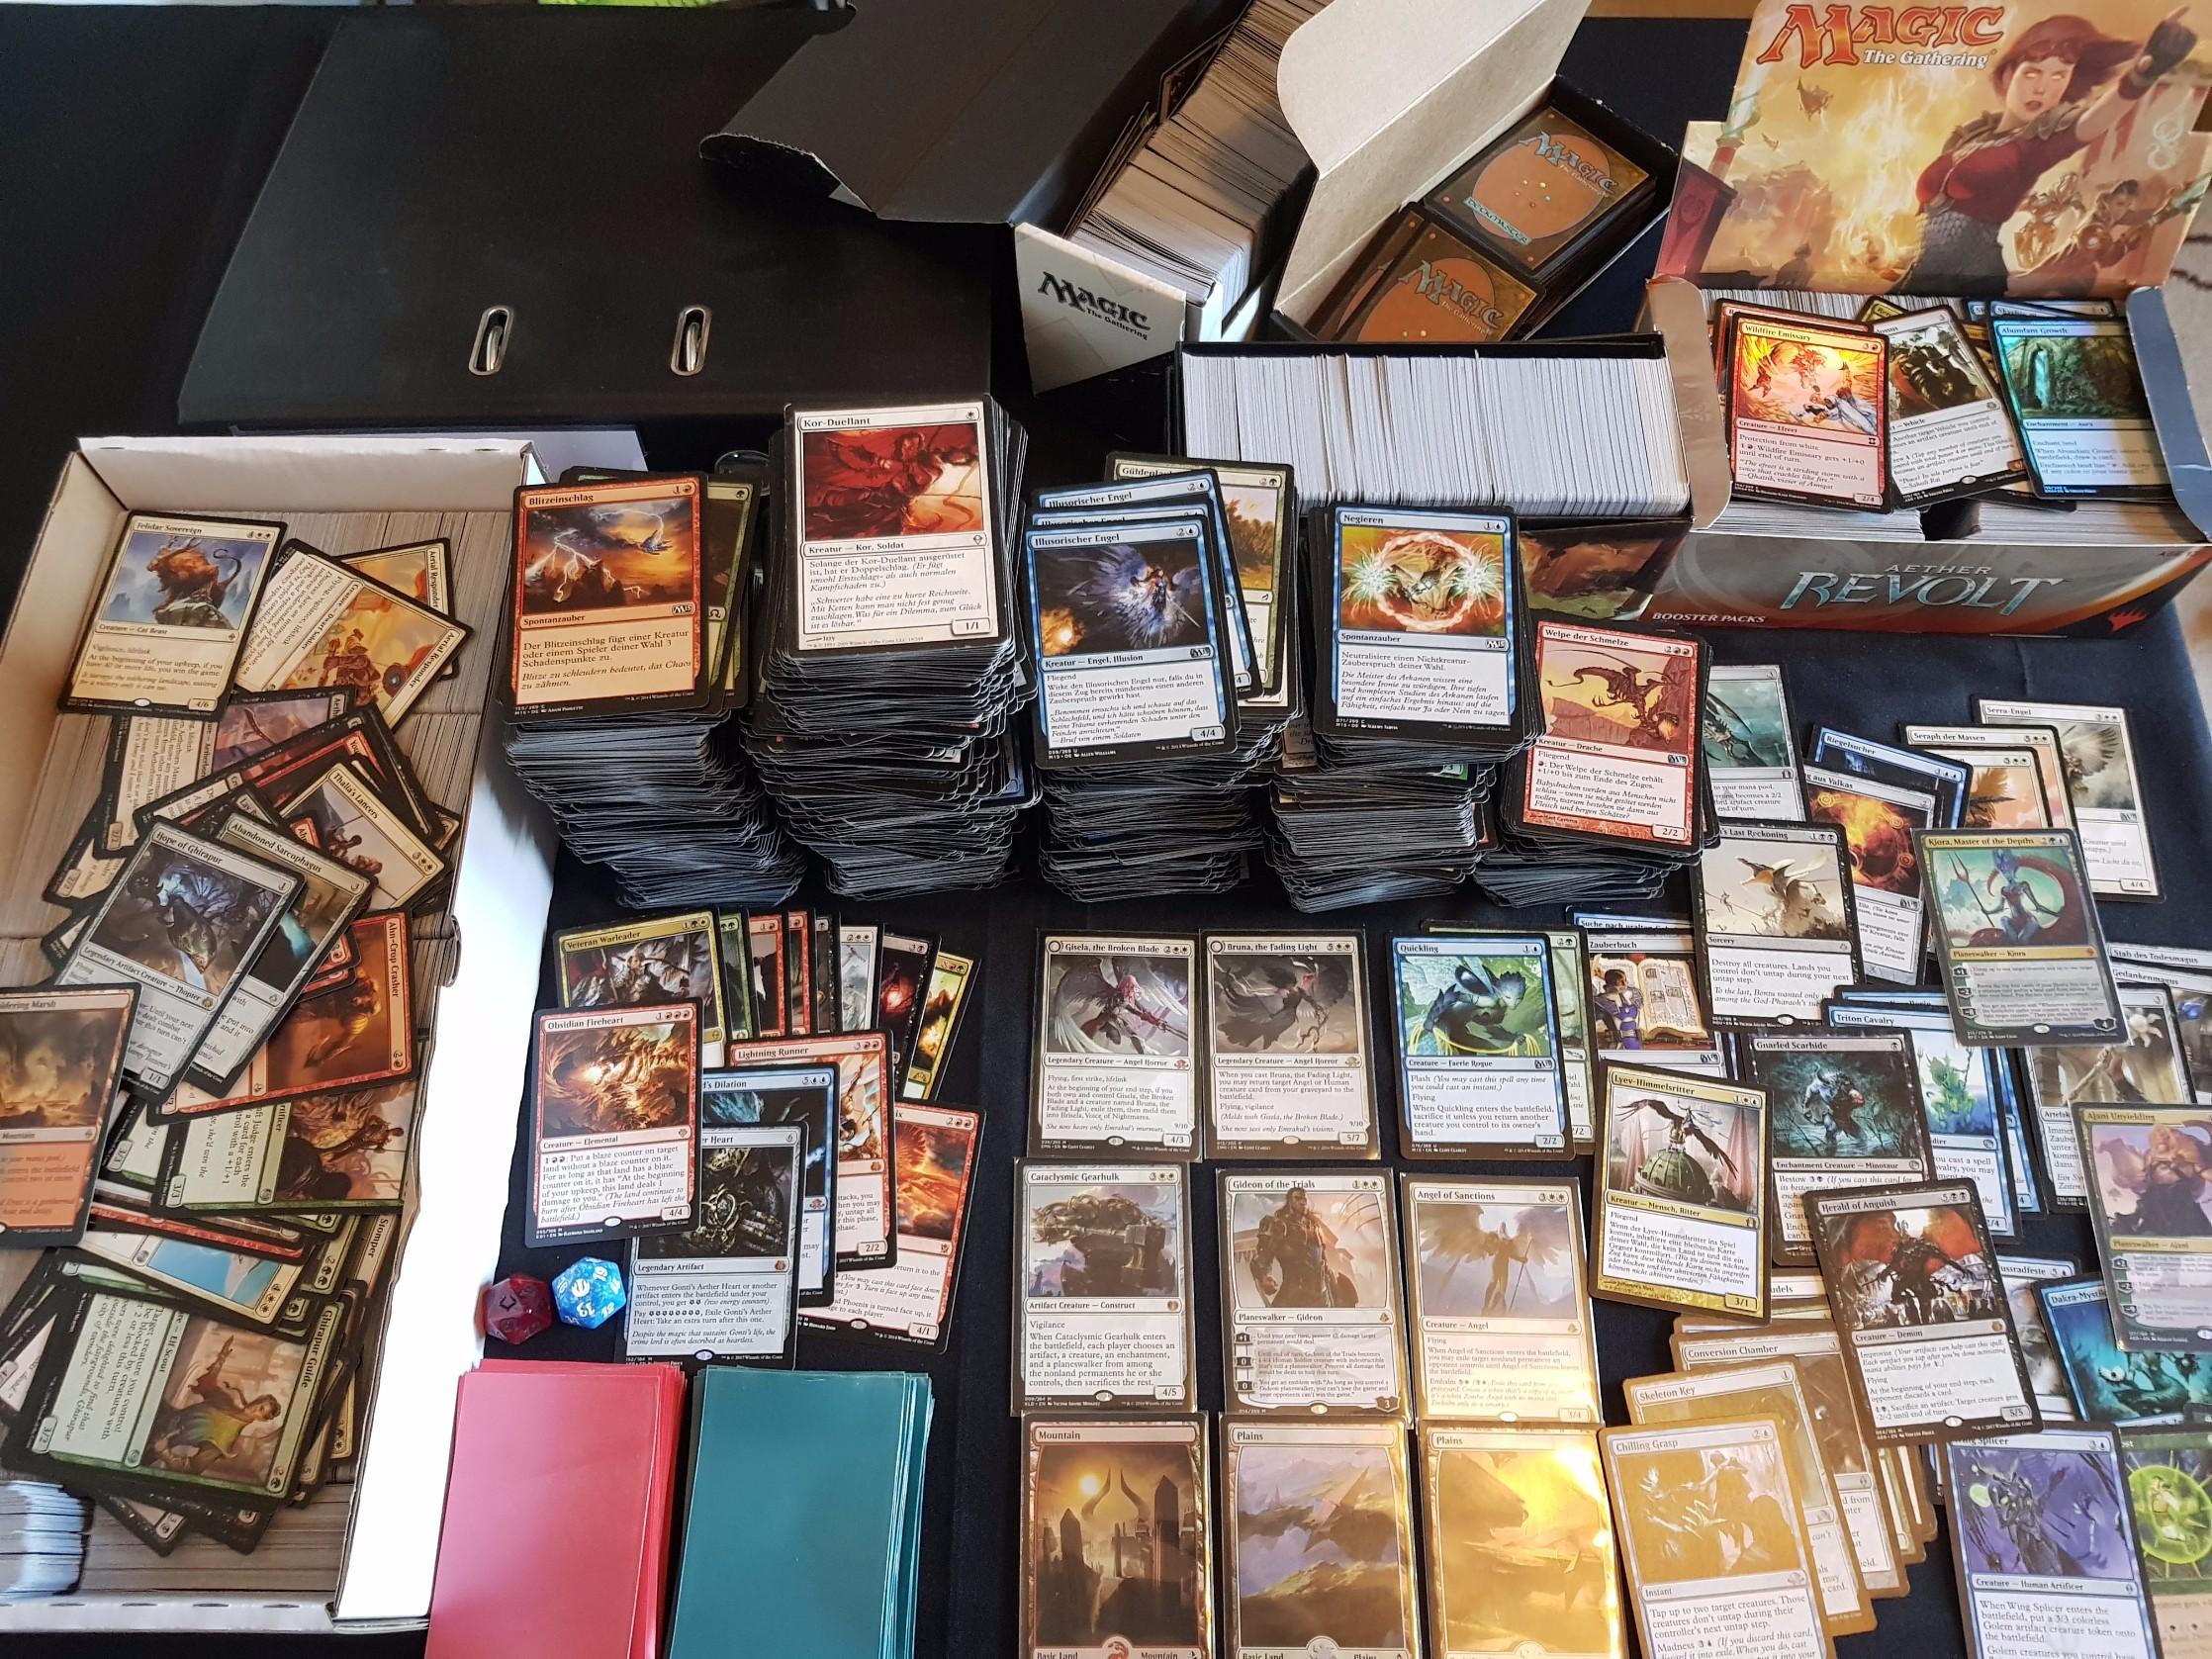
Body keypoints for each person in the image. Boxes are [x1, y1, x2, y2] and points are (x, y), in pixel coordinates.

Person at [1901, 12, 2198, 292]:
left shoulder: (2035, 148)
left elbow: (2092, 122)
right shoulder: (1970, 135)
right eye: (2032, 73)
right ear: (2008, 75)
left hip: (1970, 282)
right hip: (1921, 275)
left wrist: (2141, 77)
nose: (2042, 88)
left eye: (2059, 76)